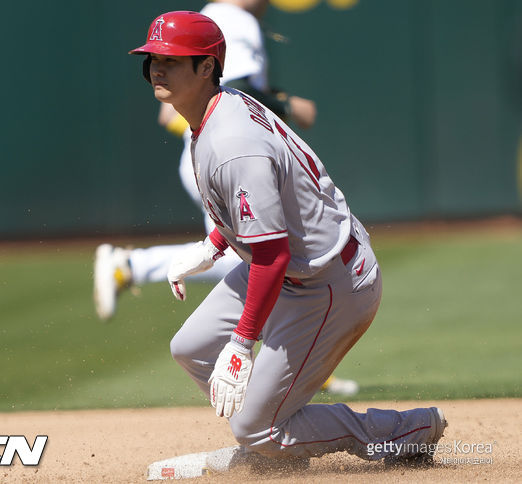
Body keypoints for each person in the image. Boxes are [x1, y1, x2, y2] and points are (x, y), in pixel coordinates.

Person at [126, 10, 447, 473]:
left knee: (254, 426)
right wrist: (212, 246)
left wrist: (241, 343)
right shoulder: (218, 108)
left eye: (174, 60)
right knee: (190, 349)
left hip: (328, 281)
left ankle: (406, 430)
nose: (158, 67)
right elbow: (271, 206)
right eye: (153, 58)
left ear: (207, 67)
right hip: (296, 265)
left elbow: (272, 257)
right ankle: (276, 450)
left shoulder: (232, 140)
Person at [94, 0, 358, 397]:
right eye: (154, 61)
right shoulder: (231, 21)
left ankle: (134, 265)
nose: (156, 69)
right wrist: (289, 105)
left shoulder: (211, 18)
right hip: (222, 161)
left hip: (213, 155)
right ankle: (132, 264)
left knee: (249, 255)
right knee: (257, 256)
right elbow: (236, 88)